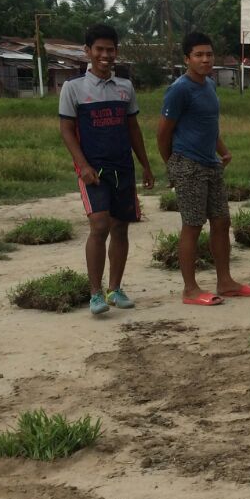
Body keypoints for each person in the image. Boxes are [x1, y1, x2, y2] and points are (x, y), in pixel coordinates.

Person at [58, 24, 156, 316]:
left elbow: (133, 128)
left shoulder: (125, 87)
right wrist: (84, 166)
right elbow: (66, 131)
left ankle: (115, 289)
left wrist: (145, 166)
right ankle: (95, 294)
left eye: (110, 50)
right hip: (93, 170)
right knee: (99, 225)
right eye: (98, 49)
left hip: (122, 168)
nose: (104, 55)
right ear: (88, 51)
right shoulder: (73, 88)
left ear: (116, 52)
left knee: (121, 227)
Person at [157, 31, 250, 305]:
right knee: (192, 225)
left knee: (221, 221)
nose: (205, 60)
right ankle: (190, 289)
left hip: (211, 164)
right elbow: (163, 134)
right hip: (188, 164)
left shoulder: (209, 85)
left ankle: (225, 281)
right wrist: (173, 166)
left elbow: (208, 126)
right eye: (199, 55)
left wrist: (223, 150)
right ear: (187, 59)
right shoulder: (179, 89)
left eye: (209, 54)